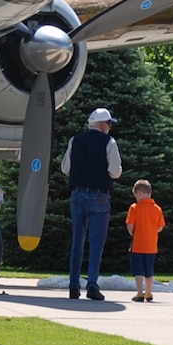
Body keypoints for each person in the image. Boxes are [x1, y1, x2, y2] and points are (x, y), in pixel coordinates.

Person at [61, 107, 121, 300]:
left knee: (77, 241)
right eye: (109, 124)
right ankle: (92, 284)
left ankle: (73, 285)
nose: (110, 128)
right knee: (96, 243)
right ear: (103, 125)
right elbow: (115, 171)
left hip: (78, 194)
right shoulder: (108, 142)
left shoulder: (75, 140)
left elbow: (65, 168)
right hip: (100, 195)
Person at [124, 179, 165, 302]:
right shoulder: (157, 209)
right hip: (151, 245)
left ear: (140, 193)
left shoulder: (134, 207)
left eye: (136, 195)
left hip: (138, 244)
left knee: (138, 270)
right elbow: (160, 227)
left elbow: (130, 225)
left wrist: (134, 234)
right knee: (149, 270)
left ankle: (140, 293)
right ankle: (149, 292)